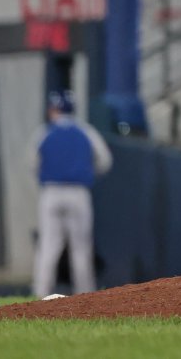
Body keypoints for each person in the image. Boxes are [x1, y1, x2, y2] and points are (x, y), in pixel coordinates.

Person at [32, 91, 112, 297]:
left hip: (51, 192)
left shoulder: (45, 132)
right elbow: (104, 160)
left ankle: (40, 294)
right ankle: (85, 296)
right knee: (81, 247)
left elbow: (32, 163)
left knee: (48, 246)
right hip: (78, 192)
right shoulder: (85, 131)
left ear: (54, 109)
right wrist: (87, 172)